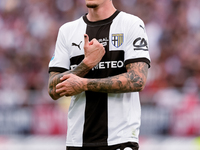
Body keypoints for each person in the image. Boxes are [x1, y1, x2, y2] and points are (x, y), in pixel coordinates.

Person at [48, 0, 150, 149]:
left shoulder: (131, 24)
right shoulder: (67, 31)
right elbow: (52, 89)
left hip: (120, 140)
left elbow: (137, 80)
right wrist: (86, 64)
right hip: (77, 141)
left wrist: (84, 84)